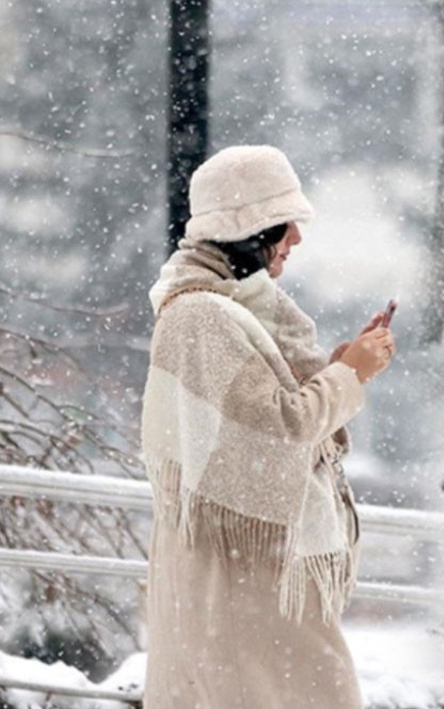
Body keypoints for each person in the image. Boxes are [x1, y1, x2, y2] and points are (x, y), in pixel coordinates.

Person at [141, 145, 396, 709]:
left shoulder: (232, 306)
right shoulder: (202, 316)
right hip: (241, 586)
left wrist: (342, 369)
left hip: (253, 580)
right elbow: (278, 430)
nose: (296, 240)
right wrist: (348, 375)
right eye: (286, 224)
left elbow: (266, 413)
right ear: (249, 229)